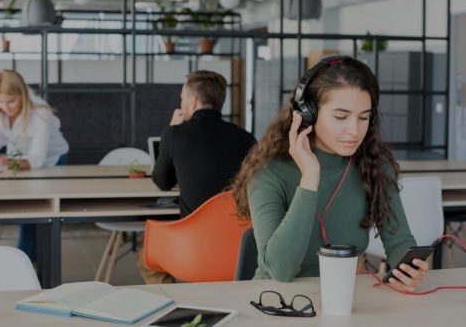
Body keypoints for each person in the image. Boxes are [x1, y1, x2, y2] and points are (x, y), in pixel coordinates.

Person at [232, 56, 429, 292]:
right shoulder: (268, 172)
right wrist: (309, 179)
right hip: (276, 301)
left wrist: (408, 271)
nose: (355, 131)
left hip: (343, 299)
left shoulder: (374, 163)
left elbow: (399, 242)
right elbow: (280, 270)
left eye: (364, 117)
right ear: (308, 114)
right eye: (340, 117)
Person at [139, 70, 256, 283]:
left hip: (192, 250)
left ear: (192, 102)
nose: (181, 103)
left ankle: (176, 304)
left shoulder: (175, 134)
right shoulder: (245, 138)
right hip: (239, 250)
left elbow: (162, 182)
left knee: (147, 262)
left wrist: (172, 129)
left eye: (182, 98)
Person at [0, 69, 69, 261]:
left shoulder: (40, 112)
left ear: (22, 93)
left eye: (11, 101)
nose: (6, 107)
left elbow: (38, 158)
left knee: (40, 219)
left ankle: (27, 273)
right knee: (29, 217)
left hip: (53, 161)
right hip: (19, 162)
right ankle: (29, 273)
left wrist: (11, 162)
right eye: (1, 102)